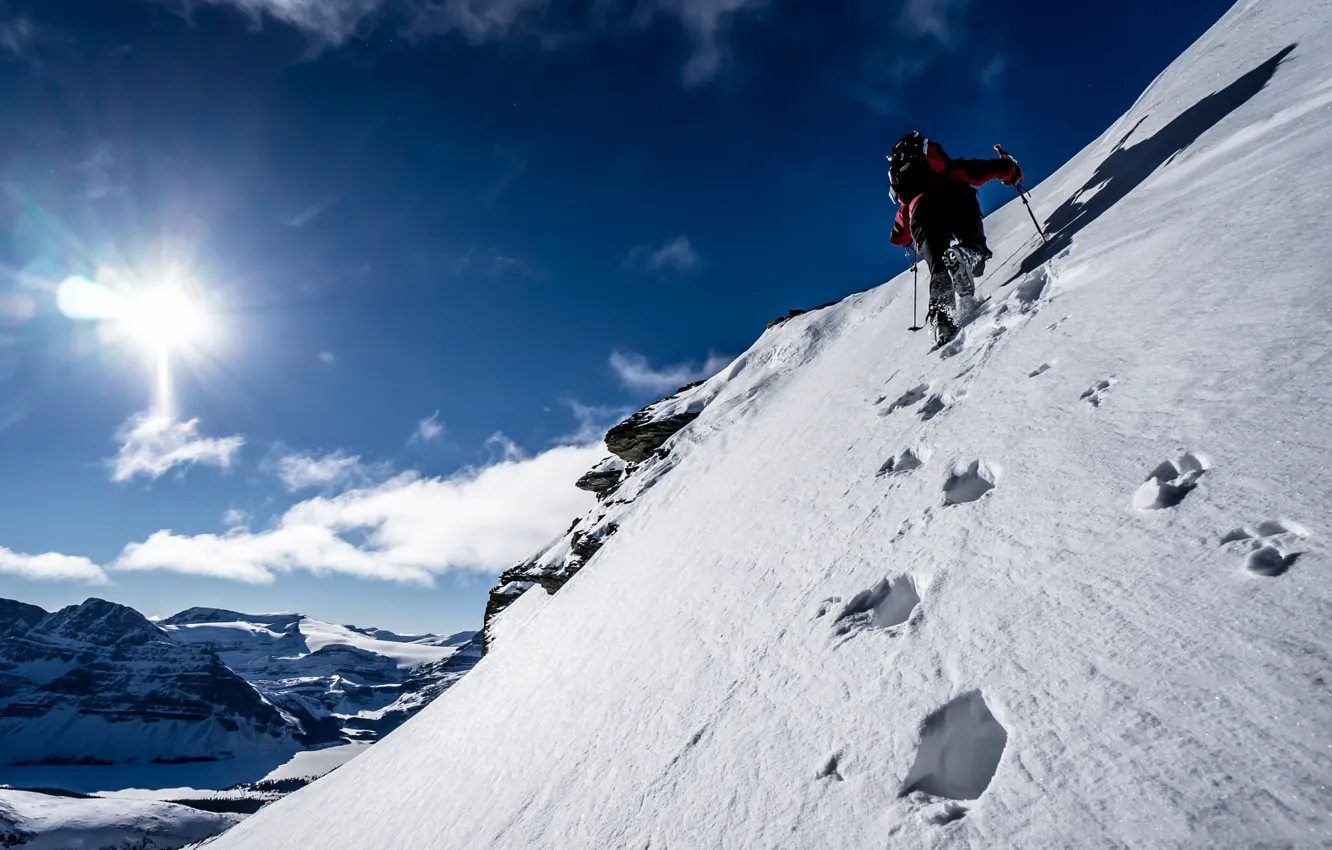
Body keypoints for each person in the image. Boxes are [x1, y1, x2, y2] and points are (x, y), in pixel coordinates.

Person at [888, 132, 1023, 344]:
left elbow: (898, 235)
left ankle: (942, 320)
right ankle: (969, 253)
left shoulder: (908, 200)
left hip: (920, 214)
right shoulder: (952, 168)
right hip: (957, 195)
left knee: (938, 268)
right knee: (972, 241)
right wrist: (1012, 171)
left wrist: (905, 240)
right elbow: (990, 169)